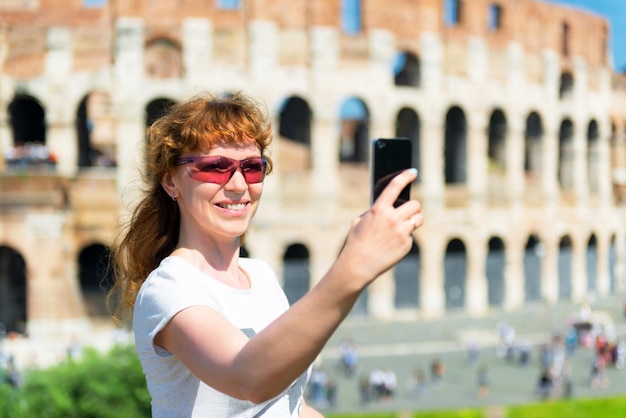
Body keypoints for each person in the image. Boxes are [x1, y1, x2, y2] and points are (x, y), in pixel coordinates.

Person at [108, 91, 423, 417]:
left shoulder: (260, 276)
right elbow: (247, 378)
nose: (238, 185)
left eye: (252, 167)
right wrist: (353, 266)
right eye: (215, 167)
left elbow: (289, 407)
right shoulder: (170, 287)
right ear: (171, 182)